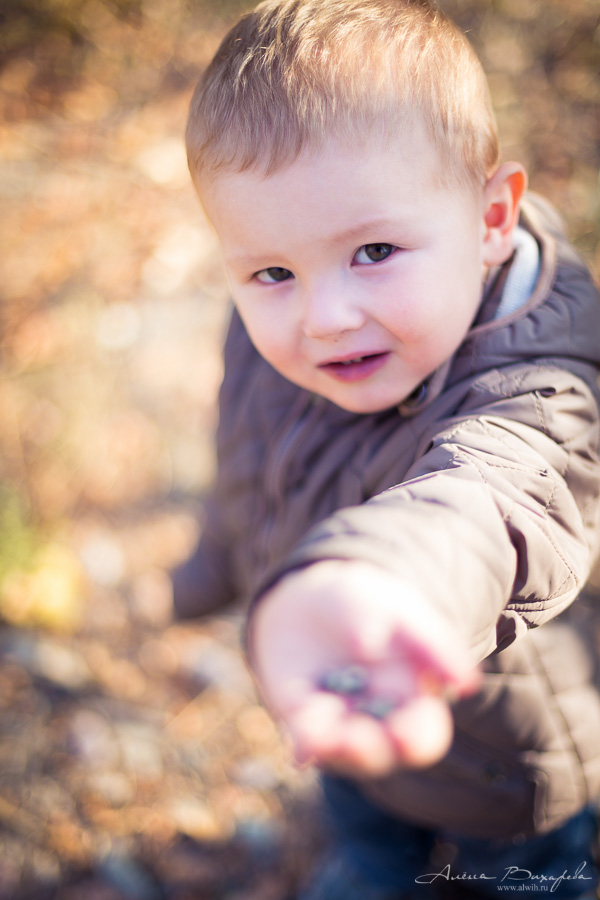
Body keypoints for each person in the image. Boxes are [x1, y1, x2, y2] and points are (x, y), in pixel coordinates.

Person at [173, 0, 600, 896]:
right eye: (273, 272)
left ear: (491, 220)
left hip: (508, 778)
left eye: (373, 250)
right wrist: (210, 571)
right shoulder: (266, 334)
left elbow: (490, 503)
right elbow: (246, 461)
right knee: (364, 841)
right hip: (345, 704)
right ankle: (370, 861)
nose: (325, 317)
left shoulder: (547, 391)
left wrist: (378, 581)